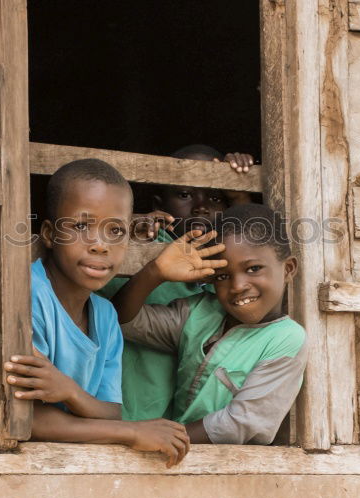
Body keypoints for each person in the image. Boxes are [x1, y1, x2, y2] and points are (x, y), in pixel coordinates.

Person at [4, 159, 220, 465]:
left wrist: (70, 393)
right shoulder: (29, 297)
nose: (101, 245)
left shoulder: (105, 315)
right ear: (50, 234)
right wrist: (131, 433)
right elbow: (31, 420)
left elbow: (111, 410)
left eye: (116, 231)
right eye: (81, 226)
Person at [113, 204, 308, 444]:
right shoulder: (199, 312)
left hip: (228, 469)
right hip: (172, 454)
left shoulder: (286, 338)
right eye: (223, 276)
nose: (237, 286)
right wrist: (155, 272)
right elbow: (123, 322)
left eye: (254, 269)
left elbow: (240, 423)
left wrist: (163, 437)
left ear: (288, 269)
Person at [97, 144, 257, 421]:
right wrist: (133, 237)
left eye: (216, 197)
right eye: (184, 194)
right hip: (131, 410)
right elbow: (109, 307)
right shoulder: (144, 244)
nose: (201, 206)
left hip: (186, 424)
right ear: (160, 205)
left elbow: (255, 247)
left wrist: (241, 194)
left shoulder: (226, 264)